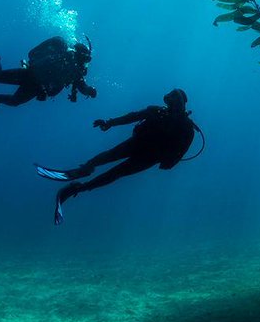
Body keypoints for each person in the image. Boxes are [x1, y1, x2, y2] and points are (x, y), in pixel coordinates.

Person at [35, 87, 204, 224]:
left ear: (183, 104)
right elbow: (132, 117)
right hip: (137, 145)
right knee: (109, 157)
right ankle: (84, 170)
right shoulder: (157, 111)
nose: (173, 102)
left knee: (115, 173)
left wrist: (169, 162)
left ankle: (79, 187)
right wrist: (109, 123)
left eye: (176, 99)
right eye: (171, 98)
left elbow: (181, 150)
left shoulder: (186, 127)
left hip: (149, 157)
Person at [0, 36, 96, 119]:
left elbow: (81, 85)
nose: (83, 63)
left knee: (14, 102)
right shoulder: (63, 53)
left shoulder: (77, 71)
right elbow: (34, 53)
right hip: (30, 74)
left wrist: (89, 90)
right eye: (83, 59)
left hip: (38, 88)